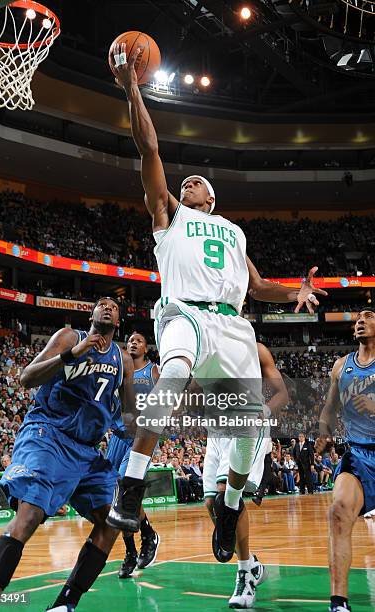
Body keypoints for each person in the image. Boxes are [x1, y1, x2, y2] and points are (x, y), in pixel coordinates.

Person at [106, 43, 326, 562]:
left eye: (199, 181)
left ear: (215, 198)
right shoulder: (169, 214)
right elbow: (150, 151)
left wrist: (293, 291)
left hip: (233, 328)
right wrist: (134, 90)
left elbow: (257, 288)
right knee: (175, 368)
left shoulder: (232, 231)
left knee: (250, 426)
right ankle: (131, 484)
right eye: (187, 182)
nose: (190, 181)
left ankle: (228, 509)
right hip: (185, 310)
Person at [0, 297, 135, 612]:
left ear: (119, 321)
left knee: (111, 521)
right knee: (31, 513)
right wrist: (71, 355)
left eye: (113, 306)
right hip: (49, 434)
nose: (106, 307)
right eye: (101, 303)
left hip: (87, 450)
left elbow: (130, 417)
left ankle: (65, 604)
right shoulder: (68, 337)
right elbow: (26, 378)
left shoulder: (123, 360)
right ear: (91, 314)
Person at [203, 342, 288, 607]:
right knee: (211, 503)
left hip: (246, 424)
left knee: (226, 493)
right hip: (215, 429)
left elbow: (282, 393)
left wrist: (263, 411)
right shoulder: (206, 344)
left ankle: (244, 576)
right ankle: (251, 565)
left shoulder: (256, 349)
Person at [316, 309, 375, 612]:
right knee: (338, 512)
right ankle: (338, 603)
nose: (360, 322)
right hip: (359, 455)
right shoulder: (341, 366)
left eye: (368, 316)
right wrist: (324, 431)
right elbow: (328, 408)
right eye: (357, 320)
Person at [106, 331, 160, 579]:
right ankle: (133, 547)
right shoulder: (120, 370)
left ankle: (146, 537)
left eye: (138, 340)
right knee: (115, 498)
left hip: (141, 439)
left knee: (125, 487)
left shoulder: (153, 371)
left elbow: (169, 399)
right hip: (117, 436)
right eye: (129, 341)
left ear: (146, 347)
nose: (133, 343)